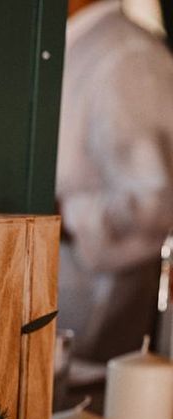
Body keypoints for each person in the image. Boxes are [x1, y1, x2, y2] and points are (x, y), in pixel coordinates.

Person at [57, 0, 173, 361]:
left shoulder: (129, 56)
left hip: (95, 314)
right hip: (52, 291)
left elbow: (153, 202)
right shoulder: (70, 43)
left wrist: (61, 213)